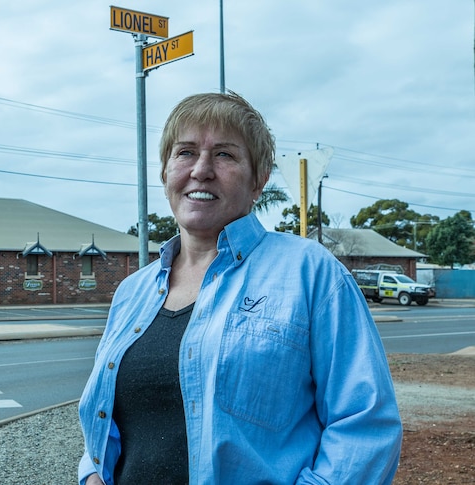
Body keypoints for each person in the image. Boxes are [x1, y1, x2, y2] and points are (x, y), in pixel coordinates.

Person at [77, 92, 402, 484]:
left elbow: (366, 425)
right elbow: (109, 425)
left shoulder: (311, 274)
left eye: (225, 155)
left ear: (258, 181)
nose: (201, 170)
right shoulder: (132, 293)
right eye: (185, 152)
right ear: (164, 173)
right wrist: (92, 474)